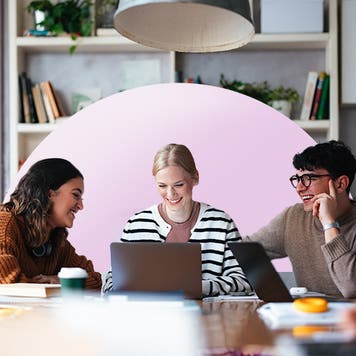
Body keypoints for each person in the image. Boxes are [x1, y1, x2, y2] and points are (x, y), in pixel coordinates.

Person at [103, 143, 252, 297]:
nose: (170, 193)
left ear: (195, 178)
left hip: (208, 318)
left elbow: (243, 281)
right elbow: (110, 283)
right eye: (162, 185)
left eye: (179, 185)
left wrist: (197, 288)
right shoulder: (137, 224)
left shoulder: (221, 223)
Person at [244, 140, 356, 298]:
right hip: (306, 316)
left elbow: (351, 287)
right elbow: (244, 250)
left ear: (340, 183)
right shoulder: (293, 217)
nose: (300, 188)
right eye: (298, 179)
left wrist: (329, 223)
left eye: (309, 178)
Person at [0, 158, 102, 290]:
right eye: (76, 195)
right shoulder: (5, 224)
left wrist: (59, 281)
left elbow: (95, 280)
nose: (81, 206)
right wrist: (59, 285)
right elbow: (7, 281)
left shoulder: (57, 242)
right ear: (49, 194)